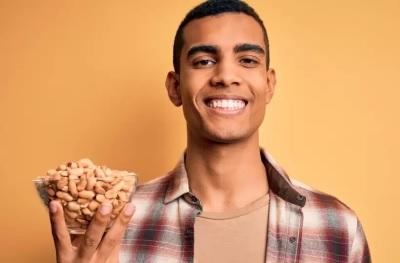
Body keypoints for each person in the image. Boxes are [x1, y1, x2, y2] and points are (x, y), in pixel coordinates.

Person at [48, 0, 371, 262]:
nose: (226, 75)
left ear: (269, 85)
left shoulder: (337, 228)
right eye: (203, 61)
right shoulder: (115, 224)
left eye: (247, 60)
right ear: (175, 87)